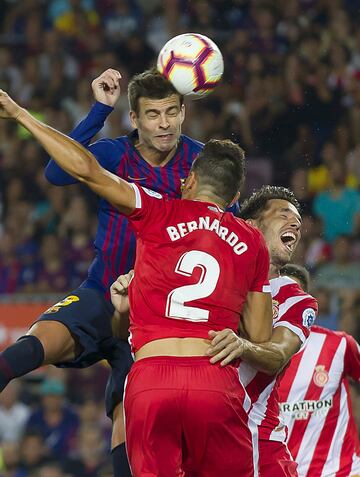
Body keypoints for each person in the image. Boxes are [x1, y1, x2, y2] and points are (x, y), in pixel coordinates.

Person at [0, 91, 273, 475]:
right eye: (153, 114)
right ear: (136, 118)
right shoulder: (249, 237)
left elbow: (84, 171)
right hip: (193, 360)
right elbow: (260, 329)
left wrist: (19, 114)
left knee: (127, 425)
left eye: (170, 112)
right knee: (43, 343)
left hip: (152, 348)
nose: (162, 122)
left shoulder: (158, 207)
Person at [205, 186, 318, 477]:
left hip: (258, 441)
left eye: (298, 221)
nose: (295, 224)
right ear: (252, 225)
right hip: (202, 435)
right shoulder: (210, 274)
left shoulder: (297, 299)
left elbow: (278, 354)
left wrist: (243, 347)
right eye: (283, 214)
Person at [277, 265, 360, 477]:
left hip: (339, 471)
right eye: (277, 293)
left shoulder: (340, 346)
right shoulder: (251, 356)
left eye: (292, 294)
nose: (284, 302)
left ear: (306, 302)